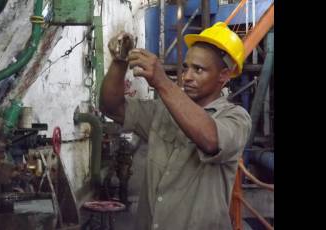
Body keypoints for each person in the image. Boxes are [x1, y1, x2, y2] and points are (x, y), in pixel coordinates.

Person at [100, 22, 252, 230]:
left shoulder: (237, 118)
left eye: (198, 70)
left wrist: (163, 82)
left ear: (224, 75)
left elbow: (210, 139)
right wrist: (119, 62)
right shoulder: (163, 111)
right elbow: (111, 107)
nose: (187, 77)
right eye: (186, 68)